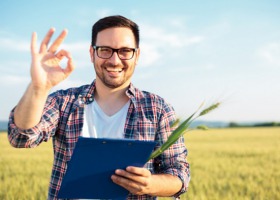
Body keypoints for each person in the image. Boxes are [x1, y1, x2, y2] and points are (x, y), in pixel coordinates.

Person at [8, 15, 190, 200]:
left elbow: (179, 174)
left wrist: (150, 184)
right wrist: (38, 88)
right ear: (91, 53)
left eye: (125, 51)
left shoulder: (158, 109)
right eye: (105, 50)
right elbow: (21, 137)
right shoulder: (65, 102)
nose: (115, 60)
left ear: (137, 55)